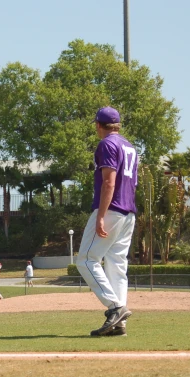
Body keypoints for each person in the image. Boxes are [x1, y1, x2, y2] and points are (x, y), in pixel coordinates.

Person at [76, 107, 138, 337]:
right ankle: (119, 323)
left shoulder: (106, 145)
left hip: (111, 208)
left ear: (98, 125)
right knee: (116, 264)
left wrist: (101, 215)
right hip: (128, 211)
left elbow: (109, 182)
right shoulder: (129, 146)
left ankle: (115, 308)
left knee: (85, 260)